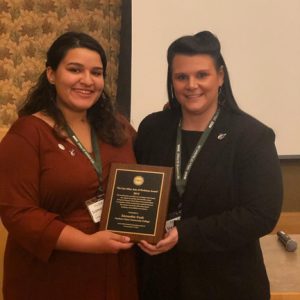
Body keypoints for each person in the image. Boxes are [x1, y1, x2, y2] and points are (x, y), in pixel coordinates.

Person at [134, 30, 283, 300]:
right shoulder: (153, 128)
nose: (191, 85)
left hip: (227, 283)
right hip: (161, 279)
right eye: (181, 77)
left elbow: (260, 215)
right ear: (172, 80)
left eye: (202, 75)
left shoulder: (251, 136)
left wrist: (185, 233)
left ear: (221, 76)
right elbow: (136, 190)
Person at [0, 32, 138, 300]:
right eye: (75, 70)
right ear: (51, 74)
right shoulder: (28, 133)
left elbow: (147, 182)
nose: (87, 81)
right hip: (52, 275)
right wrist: (88, 243)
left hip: (115, 267)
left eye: (96, 72)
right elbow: (19, 214)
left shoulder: (117, 127)